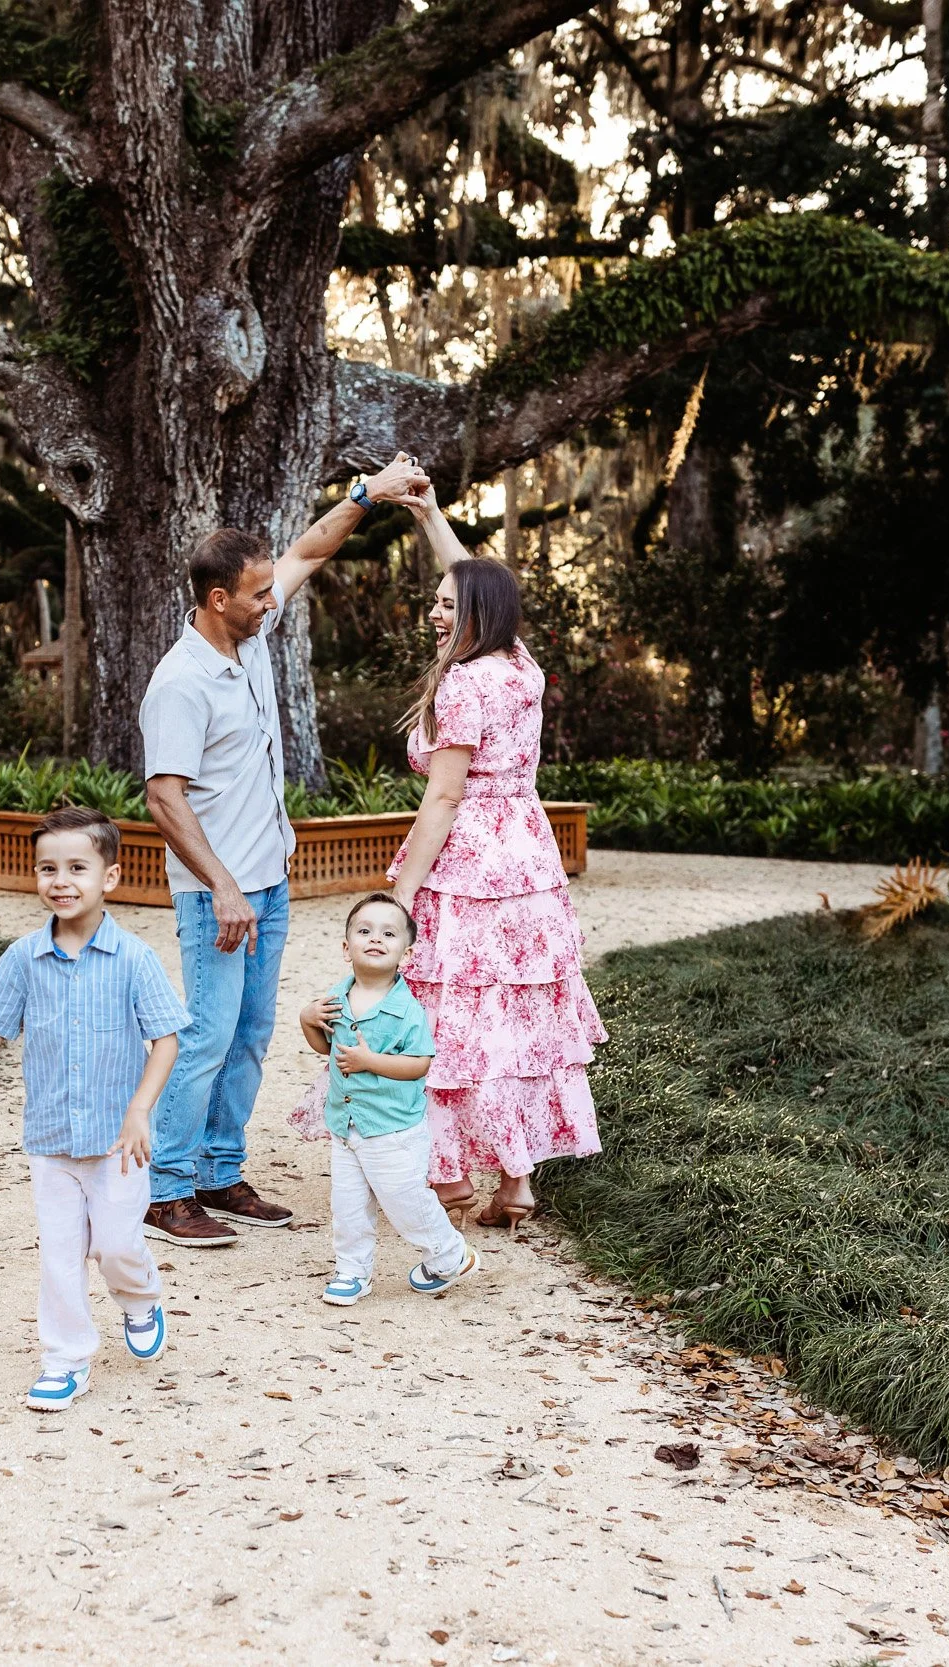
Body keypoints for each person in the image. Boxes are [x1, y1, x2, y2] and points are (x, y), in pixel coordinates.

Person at [136, 450, 433, 1247]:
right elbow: (163, 798)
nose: (276, 600)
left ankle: (218, 1173)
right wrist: (226, 886)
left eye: (271, 589)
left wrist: (369, 495)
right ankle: (165, 1192)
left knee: (250, 1033)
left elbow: (308, 550)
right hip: (217, 895)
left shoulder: (251, 638)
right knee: (205, 1035)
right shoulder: (179, 682)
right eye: (260, 593)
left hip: (265, 883)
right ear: (217, 598)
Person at [383, 486, 608, 1232]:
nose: (438, 613)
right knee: (514, 1017)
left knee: (454, 1016)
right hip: (529, 860)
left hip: (471, 864)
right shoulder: (519, 667)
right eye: (435, 602)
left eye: (450, 606)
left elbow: (444, 797)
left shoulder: (465, 682)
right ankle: (516, 1183)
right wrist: (429, 517)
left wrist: (402, 892)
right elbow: (480, 584)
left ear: (480, 616)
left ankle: (448, 1181)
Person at [0, 806, 188, 1413]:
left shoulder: (134, 958)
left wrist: (139, 1110)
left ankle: (140, 1297)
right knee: (59, 1255)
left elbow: (167, 1039)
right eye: (47, 868)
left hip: (119, 1142)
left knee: (117, 1245)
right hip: (50, 1140)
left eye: (77, 867)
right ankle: (65, 1359)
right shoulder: (22, 958)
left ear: (111, 877)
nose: (60, 880)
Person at [296, 892, 480, 1305]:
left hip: (392, 1128)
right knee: (348, 1205)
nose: (375, 938)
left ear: (406, 953)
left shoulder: (407, 1010)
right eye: (364, 931)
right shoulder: (335, 998)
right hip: (346, 1125)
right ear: (347, 948)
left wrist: (370, 1061)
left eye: (388, 933)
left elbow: (419, 1064)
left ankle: (450, 1255)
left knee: (406, 1202)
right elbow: (326, 1049)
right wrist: (306, 1020)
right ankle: (352, 1271)